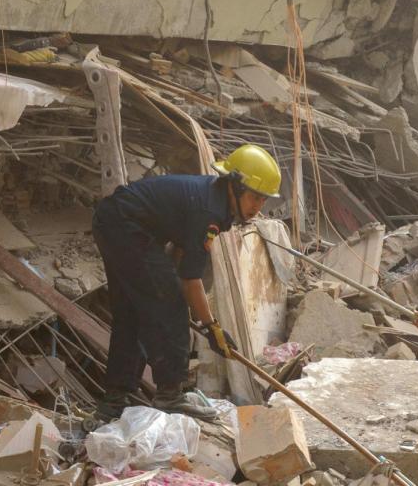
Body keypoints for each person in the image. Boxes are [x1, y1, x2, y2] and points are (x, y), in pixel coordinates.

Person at [92, 144, 282, 420]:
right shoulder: (209, 211)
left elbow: (181, 252)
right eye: (254, 197)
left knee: (132, 312)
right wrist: (211, 327)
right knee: (171, 307)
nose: (258, 207)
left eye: (263, 200)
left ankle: (115, 399)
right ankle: (170, 394)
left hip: (114, 221)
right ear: (236, 186)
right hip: (126, 228)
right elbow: (189, 279)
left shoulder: (213, 199)